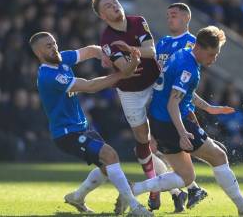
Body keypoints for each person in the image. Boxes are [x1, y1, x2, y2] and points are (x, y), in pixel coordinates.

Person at [118, 26, 243, 216]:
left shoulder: (183, 54)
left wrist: (209, 108)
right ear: (200, 48)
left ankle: (132, 190)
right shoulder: (189, 67)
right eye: (212, 54)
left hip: (159, 121)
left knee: (186, 176)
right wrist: (182, 133)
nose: (214, 59)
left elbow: (183, 93)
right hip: (171, 121)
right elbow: (173, 103)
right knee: (219, 156)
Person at [29, 31, 152, 216]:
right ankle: (135, 207)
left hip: (81, 127)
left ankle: (77, 197)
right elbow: (90, 86)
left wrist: (107, 56)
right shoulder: (48, 76)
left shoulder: (61, 58)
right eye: (48, 46)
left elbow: (90, 50)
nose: (54, 48)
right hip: (67, 134)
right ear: (38, 53)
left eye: (54, 43)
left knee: (106, 167)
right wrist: (122, 74)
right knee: (110, 156)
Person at [154, 2, 234, 212]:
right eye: (168, 15)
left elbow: (185, 89)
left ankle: (182, 190)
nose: (170, 18)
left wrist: (202, 110)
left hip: (179, 110)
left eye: (175, 15)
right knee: (155, 153)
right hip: (160, 107)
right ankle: (183, 191)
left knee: (170, 153)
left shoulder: (193, 44)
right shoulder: (162, 43)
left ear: (186, 19)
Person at [92, 0, 164, 211]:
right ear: (102, 16)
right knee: (142, 140)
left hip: (155, 82)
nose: (114, 6)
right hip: (130, 92)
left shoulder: (137, 21)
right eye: (108, 6)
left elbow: (151, 50)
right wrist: (132, 60)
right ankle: (155, 186)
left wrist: (131, 51)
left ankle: (171, 186)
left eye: (114, 2)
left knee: (165, 130)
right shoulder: (107, 39)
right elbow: (125, 71)